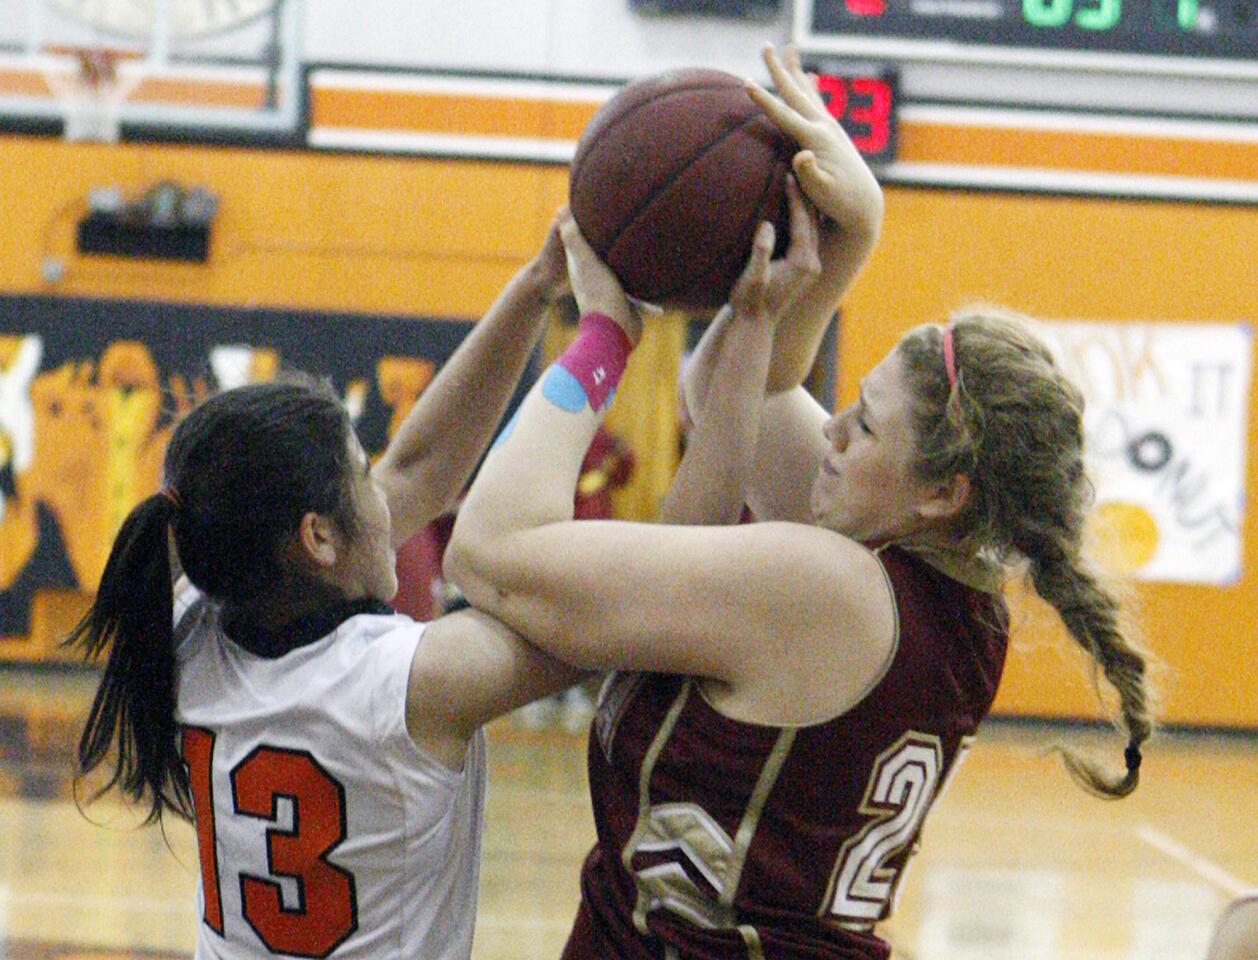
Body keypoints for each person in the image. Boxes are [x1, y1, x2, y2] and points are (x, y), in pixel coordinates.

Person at [445, 44, 1155, 960]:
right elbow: (743, 393)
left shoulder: (830, 588)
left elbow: (491, 551)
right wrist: (854, 236)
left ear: (942, 490)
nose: (830, 431)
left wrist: (602, 337)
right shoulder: (946, 592)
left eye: (862, 425)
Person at [69, 217, 590, 960]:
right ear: (317, 537)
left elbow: (419, 471)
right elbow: (603, 624)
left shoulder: (187, 629)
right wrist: (603, 338)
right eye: (360, 475)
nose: (385, 494)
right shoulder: (409, 684)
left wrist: (539, 285)